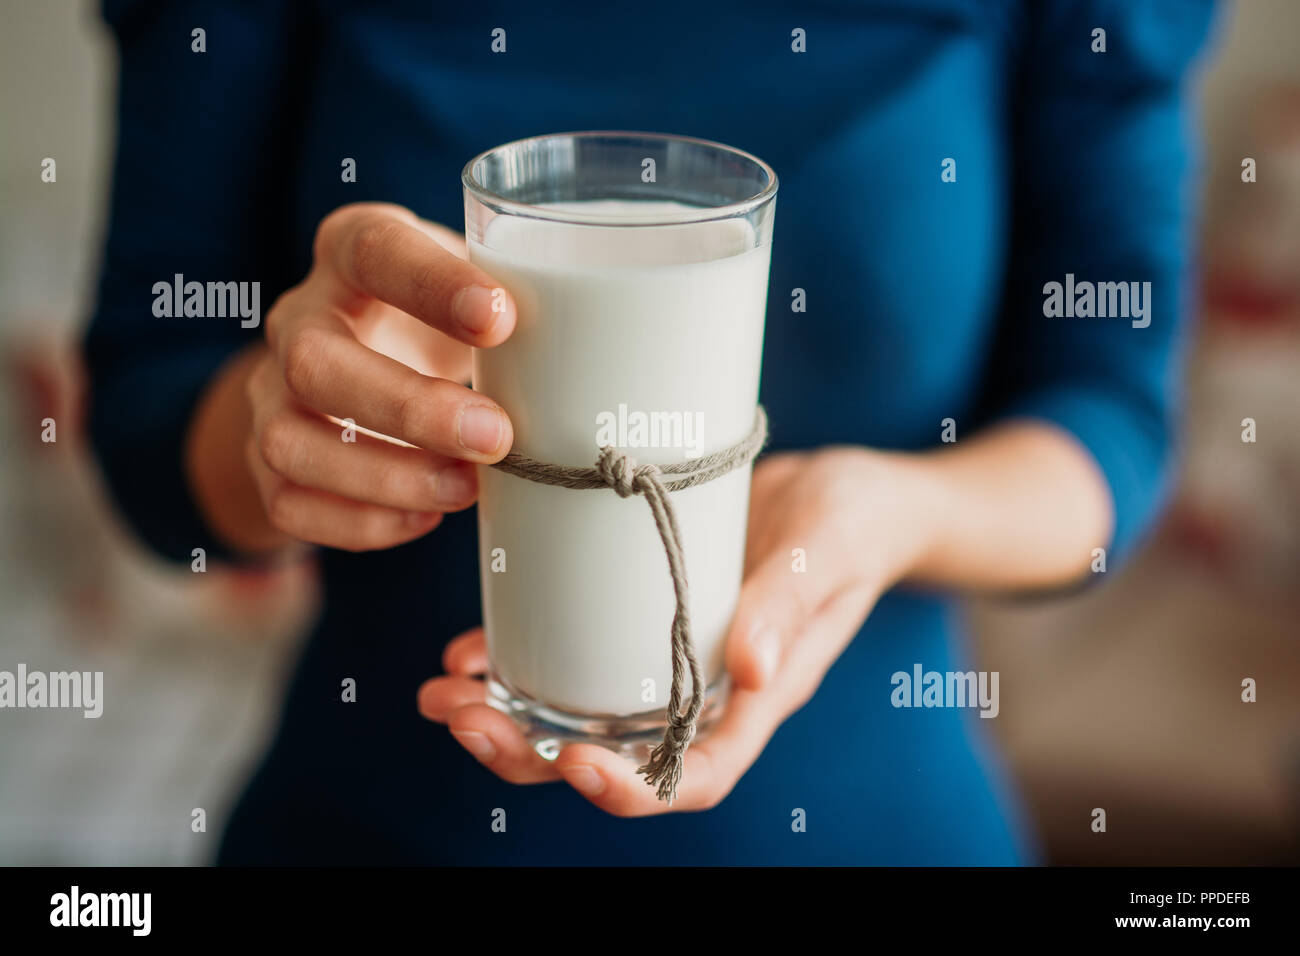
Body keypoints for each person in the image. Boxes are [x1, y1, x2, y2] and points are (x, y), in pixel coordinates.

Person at [84, 0, 1217, 863]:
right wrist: (271, 418)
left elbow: (1110, 415)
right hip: (376, 820)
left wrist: (891, 511)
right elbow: (147, 417)